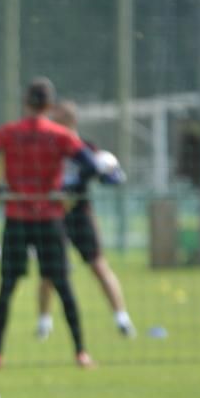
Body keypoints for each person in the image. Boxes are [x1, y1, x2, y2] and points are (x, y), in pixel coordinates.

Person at [0, 78, 105, 369]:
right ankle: (81, 353)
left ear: (25, 103)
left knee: (7, 286)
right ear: (49, 105)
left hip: (17, 218)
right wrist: (70, 191)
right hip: (48, 218)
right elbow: (92, 166)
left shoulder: (8, 133)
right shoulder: (60, 135)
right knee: (63, 285)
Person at [34, 100, 135, 340]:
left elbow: (107, 176)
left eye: (59, 123)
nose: (53, 127)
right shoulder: (48, 147)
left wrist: (111, 170)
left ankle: (122, 319)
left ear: (71, 122)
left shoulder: (86, 148)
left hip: (80, 214)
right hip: (53, 215)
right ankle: (44, 324)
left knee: (98, 265)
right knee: (49, 273)